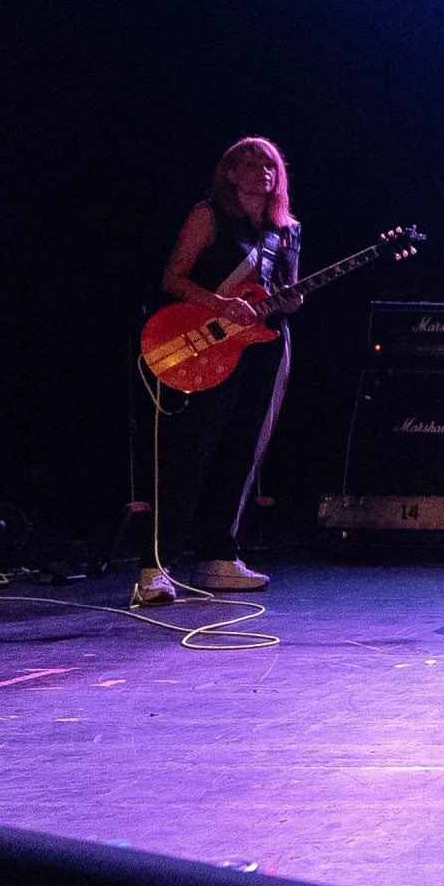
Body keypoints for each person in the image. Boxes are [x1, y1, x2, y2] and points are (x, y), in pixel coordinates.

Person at [142, 137, 302, 605]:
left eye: (269, 164)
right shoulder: (209, 215)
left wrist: (293, 300)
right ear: (230, 173)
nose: (262, 171)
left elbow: (287, 290)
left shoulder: (287, 229)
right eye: (249, 164)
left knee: (244, 450)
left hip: (265, 346)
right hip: (208, 344)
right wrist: (218, 304)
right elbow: (173, 277)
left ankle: (218, 555)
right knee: (192, 449)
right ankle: (156, 565)